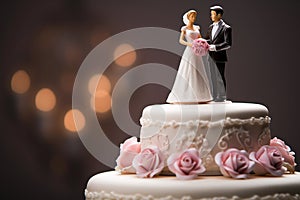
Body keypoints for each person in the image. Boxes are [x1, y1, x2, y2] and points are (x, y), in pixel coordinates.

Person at [166, 10, 213, 104]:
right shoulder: (185, 29)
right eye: (192, 16)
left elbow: (200, 38)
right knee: (187, 70)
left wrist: (202, 43)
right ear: (188, 17)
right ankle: (185, 95)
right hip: (189, 50)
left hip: (196, 52)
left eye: (194, 16)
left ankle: (201, 95)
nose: (194, 18)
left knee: (198, 69)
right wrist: (190, 44)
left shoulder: (196, 28)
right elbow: (181, 40)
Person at [205, 5, 232, 102]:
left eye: (213, 14)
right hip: (210, 56)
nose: (211, 16)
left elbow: (228, 44)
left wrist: (215, 47)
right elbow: (209, 39)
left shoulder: (226, 28)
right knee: (212, 77)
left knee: (219, 77)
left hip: (220, 56)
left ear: (219, 15)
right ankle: (214, 95)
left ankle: (222, 96)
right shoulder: (211, 27)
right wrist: (202, 42)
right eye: (211, 14)